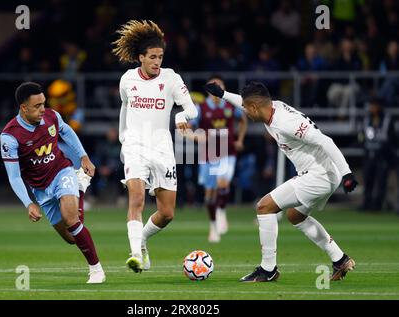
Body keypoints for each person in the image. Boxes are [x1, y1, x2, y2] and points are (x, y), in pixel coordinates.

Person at [204, 81, 358, 282]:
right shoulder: (270, 107)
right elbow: (245, 103)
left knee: (264, 206)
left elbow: (325, 141)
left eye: (248, 110)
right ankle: (340, 259)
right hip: (323, 173)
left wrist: (348, 174)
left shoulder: (286, 122)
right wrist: (223, 94)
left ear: (255, 108)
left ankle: (268, 270)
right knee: (296, 216)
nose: (246, 114)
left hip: (319, 174)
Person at [112, 20, 198, 273]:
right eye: (152, 57)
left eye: (160, 57)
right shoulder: (127, 80)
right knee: (136, 198)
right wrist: (122, 139)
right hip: (135, 146)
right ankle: (135, 254)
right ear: (141, 57)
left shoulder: (171, 79)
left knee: (167, 212)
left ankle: (143, 240)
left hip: (162, 149)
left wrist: (182, 117)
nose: (157, 61)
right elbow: (124, 108)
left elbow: (191, 108)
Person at [0, 82, 105, 284]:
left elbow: (66, 131)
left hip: (61, 171)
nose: (43, 109)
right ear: (23, 108)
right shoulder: (10, 136)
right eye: (37, 106)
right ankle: (80, 188)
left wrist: (83, 156)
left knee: (71, 220)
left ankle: (96, 270)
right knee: (71, 237)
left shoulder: (51, 116)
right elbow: (14, 176)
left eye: (43, 103)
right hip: (40, 189)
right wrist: (28, 203)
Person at [188, 75, 247, 243]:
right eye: (214, 85)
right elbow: (190, 129)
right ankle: (213, 225)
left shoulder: (229, 105)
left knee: (223, 183)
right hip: (209, 153)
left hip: (228, 152)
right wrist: (195, 137)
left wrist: (240, 139)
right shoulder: (201, 108)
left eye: (220, 85)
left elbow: (243, 120)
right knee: (209, 195)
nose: (217, 88)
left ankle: (221, 212)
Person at [358, 97, 396, 211]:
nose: (372, 108)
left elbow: (391, 138)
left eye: (374, 105)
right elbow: (361, 135)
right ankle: (366, 204)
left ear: (379, 106)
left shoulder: (387, 119)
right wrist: (363, 143)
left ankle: (378, 205)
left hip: (382, 156)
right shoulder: (366, 119)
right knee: (368, 180)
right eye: (371, 105)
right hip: (369, 154)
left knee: (381, 182)